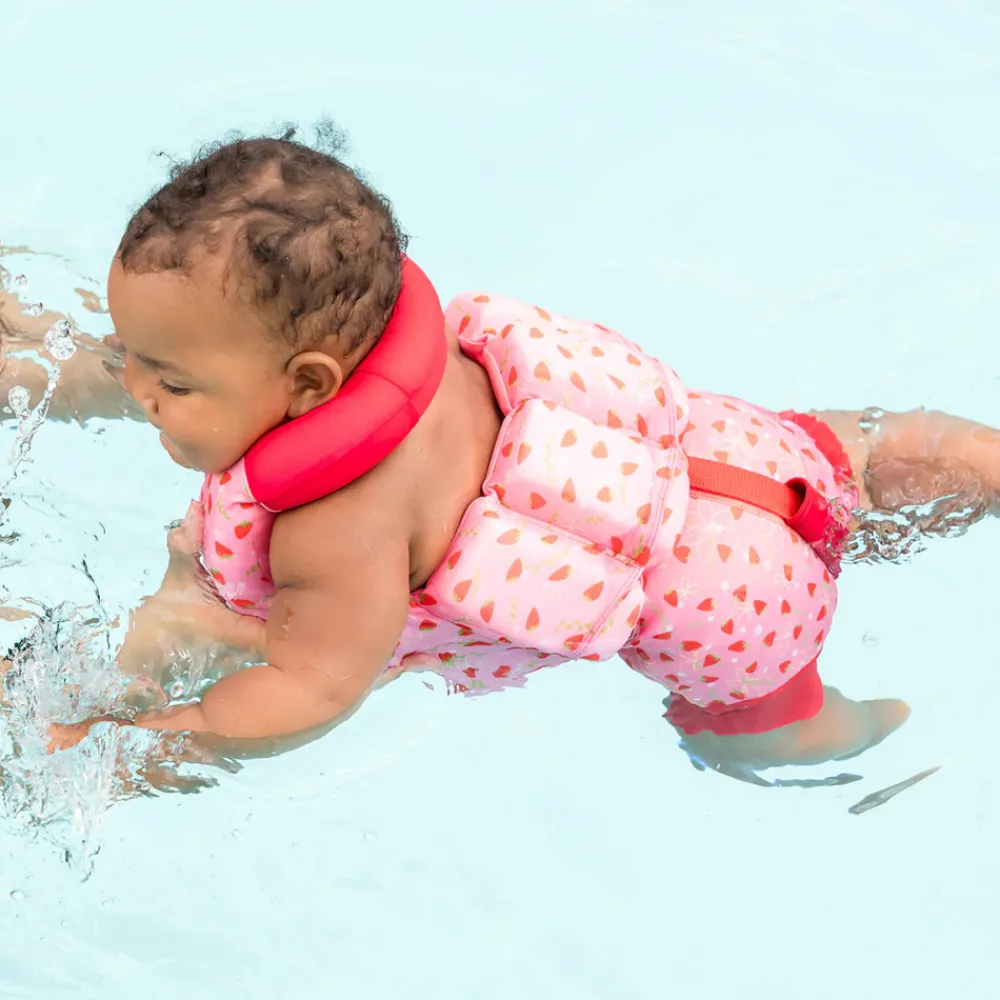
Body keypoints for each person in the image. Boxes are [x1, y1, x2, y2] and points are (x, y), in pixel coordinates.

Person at [39, 129, 1000, 771]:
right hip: (753, 460)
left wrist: (161, 738)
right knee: (871, 455)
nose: (140, 391)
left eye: (170, 383)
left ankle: (856, 733)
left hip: (741, 629)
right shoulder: (430, 355)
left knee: (763, 736)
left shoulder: (339, 526)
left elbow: (312, 688)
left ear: (312, 384)